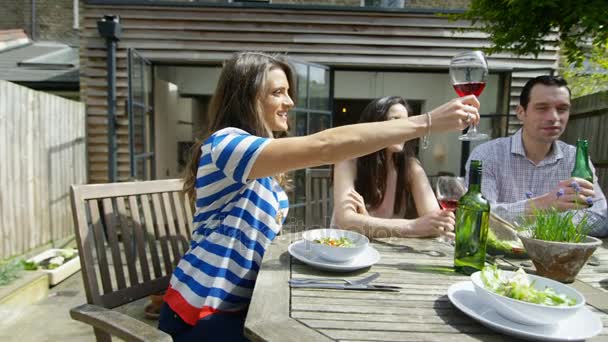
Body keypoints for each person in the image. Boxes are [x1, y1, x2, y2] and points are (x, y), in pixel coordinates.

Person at [158, 51, 480, 341]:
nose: (290, 102)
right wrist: (425, 122)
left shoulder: (261, 165)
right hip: (202, 312)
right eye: (277, 92)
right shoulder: (225, 145)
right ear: (247, 97)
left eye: (288, 92)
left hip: (247, 302)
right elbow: (325, 146)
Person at [465, 75, 607, 236]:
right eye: (542, 108)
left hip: (559, 257)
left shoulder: (575, 158)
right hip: (497, 257)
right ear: (521, 112)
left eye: (562, 109)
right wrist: (544, 204)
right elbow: (477, 215)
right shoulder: (486, 155)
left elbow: (600, 217)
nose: (554, 117)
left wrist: (545, 228)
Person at [332, 96, 455, 239]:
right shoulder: (348, 161)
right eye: (395, 120)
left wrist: (365, 220)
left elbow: (435, 221)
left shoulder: (410, 167)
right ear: (375, 124)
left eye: (407, 122)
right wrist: (413, 226)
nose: (403, 129)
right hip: (344, 248)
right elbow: (346, 222)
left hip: (387, 251)